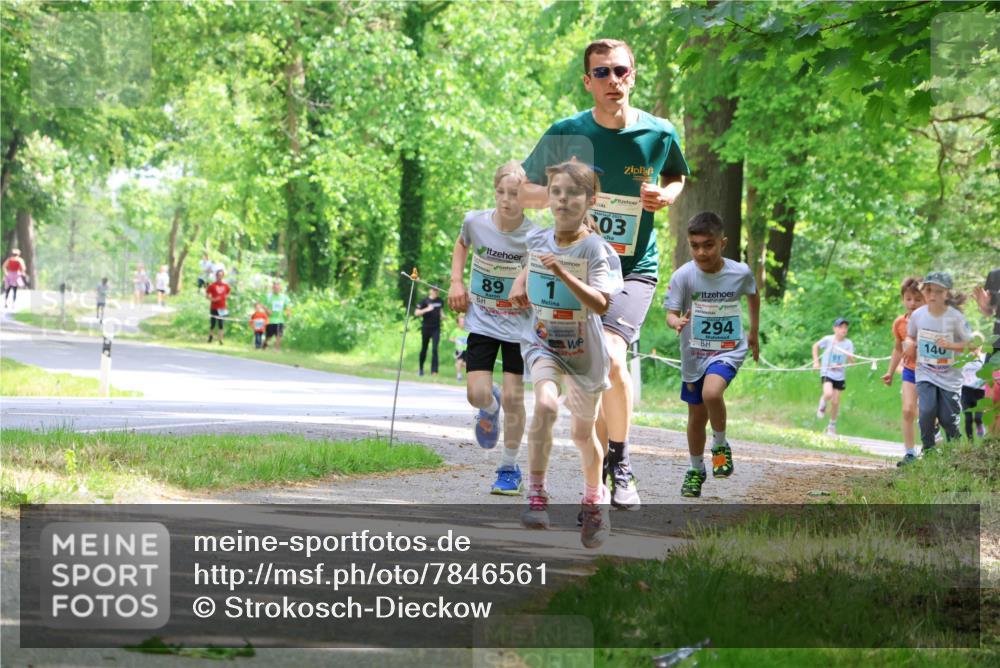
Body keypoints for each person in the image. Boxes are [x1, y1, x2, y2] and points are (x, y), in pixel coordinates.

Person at [519, 38, 689, 509]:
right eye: (602, 73)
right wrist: (567, 201)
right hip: (579, 266)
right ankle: (597, 477)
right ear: (587, 81)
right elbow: (528, 186)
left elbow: (676, 174)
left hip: (634, 268)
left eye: (621, 71)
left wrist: (669, 196)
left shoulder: (659, 133)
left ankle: (622, 462)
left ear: (633, 75)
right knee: (591, 370)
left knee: (613, 356)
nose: (613, 81)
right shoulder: (567, 132)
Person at [509, 161, 623, 547]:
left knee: (581, 433)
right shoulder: (539, 240)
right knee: (545, 406)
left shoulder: (595, 249)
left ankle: (595, 499)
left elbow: (602, 305)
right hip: (543, 342)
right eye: (556, 191)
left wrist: (563, 273)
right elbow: (526, 272)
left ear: (590, 200)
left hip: (584, 353)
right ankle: (537, 496)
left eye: (573, 193)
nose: (563, 200)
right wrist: (519, 286)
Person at [447, 160, 537, 495]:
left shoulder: (534, 235)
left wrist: (526, 283)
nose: (506, 199)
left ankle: (509, 467)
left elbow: (544, 264)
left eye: (514, 193)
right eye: (501, 192)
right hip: (482, 320)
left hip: (519, 326)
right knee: (476, 394)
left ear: (526, 196)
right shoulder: (476, 221)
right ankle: (489, 407)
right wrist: (457, 282)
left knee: (516, 397)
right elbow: (461, 244)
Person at [664, 212, 760, 498]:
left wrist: (753, 332)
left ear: (723, 243)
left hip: (728, 350)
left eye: (708, 245)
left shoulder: (739, 272)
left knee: (712, 394)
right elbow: (670, 313)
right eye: (695, 245)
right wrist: (676, 322)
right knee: (696, 416)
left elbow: (753, 294)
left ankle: (720, 446)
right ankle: (695, 469)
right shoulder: (684, 276)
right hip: (694, 353)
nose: (701, 252)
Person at [902, 272, 973, 455]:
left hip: (950, 377)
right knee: (926, 412)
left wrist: (951, 345)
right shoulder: (918, 315)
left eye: (938, 291)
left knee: (947, 418)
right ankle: (929, 450)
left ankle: (956, 448)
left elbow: (971, 345)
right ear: (923, 291)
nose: (932, 295)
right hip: (925, 372)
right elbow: (910, 336)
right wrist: (909, 345)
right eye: (928, 290)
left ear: (947, 294)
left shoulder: (956, 318)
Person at [883, 277, 926, 465]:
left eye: (917, 299)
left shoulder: (932, 321)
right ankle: (910, 453)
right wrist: (890, 372)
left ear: (925, 299)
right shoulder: (900, 323)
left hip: (931, 373)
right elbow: (898, 349)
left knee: (928, 413)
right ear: (903, 299)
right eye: (908, 299)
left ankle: (932, 445)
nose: (912, 303)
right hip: (909, 371)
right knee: (908, 410)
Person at [812, 318, 856, 437]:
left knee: (836, 402)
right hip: (827, 372)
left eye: (845, 328)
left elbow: (852, 361)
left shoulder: (848, 343)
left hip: (840, 375)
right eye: (841, 327)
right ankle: (822, 404)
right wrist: (816, 361)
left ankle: (831, 426)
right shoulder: (828, 339)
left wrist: (850, 357)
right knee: (828, 394)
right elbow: (815, 346)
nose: (843, 330)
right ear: (834, 329)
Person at [973, 268, 1000, 436]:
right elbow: (989, 311)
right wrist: (983, 305)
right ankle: (995, 447)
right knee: (992, 397)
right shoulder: (995, 276)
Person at [415, 287, 444, 376]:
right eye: (434, 290)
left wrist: (443, 316)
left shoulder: (440, 301)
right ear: (430, 290)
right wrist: (427, 309)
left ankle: (434, 371)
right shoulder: (424, 301)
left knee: (435, 349)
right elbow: (416, 313)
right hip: (426, 328)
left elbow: (441, 312)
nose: (435, 292)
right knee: (424, 348)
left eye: (437, 290)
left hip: (436, 328)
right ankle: (421, 369)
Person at [960, 343, 987, 440]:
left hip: (979, 392)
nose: (974, 348)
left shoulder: (984, 358)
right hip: (966, 391)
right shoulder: (964, 358)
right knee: (968, 419)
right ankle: (970, 441)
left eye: (977, 345)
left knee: (978, 417)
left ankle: (980, 426)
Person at [264, 280, 291, 351]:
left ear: (280, 288)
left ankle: (276, 349)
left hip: (280, 320)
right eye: (275, 287)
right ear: (272, 288)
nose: (276, 289)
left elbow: (287, 307)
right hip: (270, 320)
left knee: (279, 335)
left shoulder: (284, 297)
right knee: (269, 336)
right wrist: (267, 310)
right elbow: (263, 305)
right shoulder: (269, 297)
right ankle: (264, 345)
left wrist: (288, 313)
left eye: (278, 287)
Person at [206, 269, 231, 345]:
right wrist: (213, 299)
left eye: (221, 275)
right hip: (214, 307)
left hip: (222, 308)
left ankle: (220, 339)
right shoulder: (212, 285)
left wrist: (226, 297)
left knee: (221, 324)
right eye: (218, 275)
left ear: (223, 276)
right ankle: (210, 337)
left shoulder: (226, 285)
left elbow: (228, 293)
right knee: (213, 323)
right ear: (216, 276)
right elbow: (207, 295)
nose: (220, 276)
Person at [449, 314, 468, 381]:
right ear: (458, 323)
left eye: (464, 322)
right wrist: (456, 340)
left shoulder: (467, 330)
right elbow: (450, 338)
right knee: (459, 362)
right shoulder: (456, 330)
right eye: (461, 322)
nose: (462, 323)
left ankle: (458, 366)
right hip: (459, 350)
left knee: (466, 364)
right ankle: (459, 375)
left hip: (467, 350)